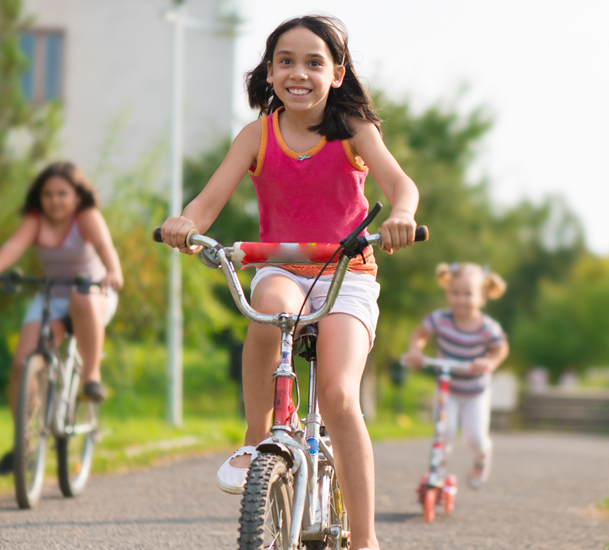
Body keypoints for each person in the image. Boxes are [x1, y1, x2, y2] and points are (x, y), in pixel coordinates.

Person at [157, 15, 419, 550]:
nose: (298, 73)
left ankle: (366, 540)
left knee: (340, 395)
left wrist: (402, 215)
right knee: (266, 310)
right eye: (286, 61)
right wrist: (186, 224)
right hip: (281, 266)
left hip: (346, 273)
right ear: (270, 73)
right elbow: (206, 204)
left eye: (314, 62)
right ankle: (259, 438)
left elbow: (399, 185)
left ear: (337, 74)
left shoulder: (355, 133)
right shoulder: (257, 135)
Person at [0, 161, 124, 475]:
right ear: (39, 198)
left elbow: (104, 245)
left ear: (76, 196)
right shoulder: (35, 220)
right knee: (22, 363)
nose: (55, 200)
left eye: (62, 193)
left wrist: (113, 271)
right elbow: (14, 245)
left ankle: (91, 378)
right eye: (48, 194)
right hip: (53, 296)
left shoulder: (86, 217)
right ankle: (24, 444)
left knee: (82, 297)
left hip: (93, 293)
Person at [400, 263, 510, 490]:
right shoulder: (440, 319)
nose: (460, 299)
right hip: (447, 389)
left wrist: (488, 362)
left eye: (468, 294)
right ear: (447, 292)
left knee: (474, 438)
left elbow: (501, 349)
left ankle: (482, 456)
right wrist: (416, 350)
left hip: (474, 392)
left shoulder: (487, 328)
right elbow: (419, 334)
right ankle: (437, 471)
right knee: (444, 431)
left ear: (482, 297)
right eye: (455, 293)